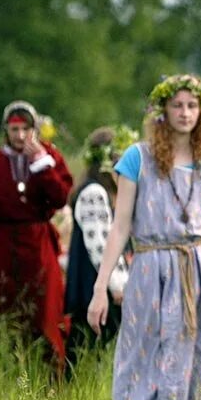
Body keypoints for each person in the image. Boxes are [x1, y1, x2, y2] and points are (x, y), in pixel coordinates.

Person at [88, 75, 201, 400]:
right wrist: (101, 287)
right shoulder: (138, 158)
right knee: (154, 358)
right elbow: (120, 225)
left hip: (200, 268)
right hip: (152, 270)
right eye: (177, 105)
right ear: (163, 111)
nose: (185, 113)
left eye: (192, 106)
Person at [0, 101, 73, 373]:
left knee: (46, 309)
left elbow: (61, 196)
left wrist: (41, 163)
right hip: (5, 243)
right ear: (6, 129)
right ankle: (10, 371)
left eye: (25, 129)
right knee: (6, 307)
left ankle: (52, 375)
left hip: (39, 243)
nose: (19, 135)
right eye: (14, 129)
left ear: (34, 129)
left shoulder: (49, 156)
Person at [64, 126, 137, 373]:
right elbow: (99, 243)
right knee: (86, 348)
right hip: (93, 283)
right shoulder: (94, 192)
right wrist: (116, 285)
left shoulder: (110, 192)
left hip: (103, 283)